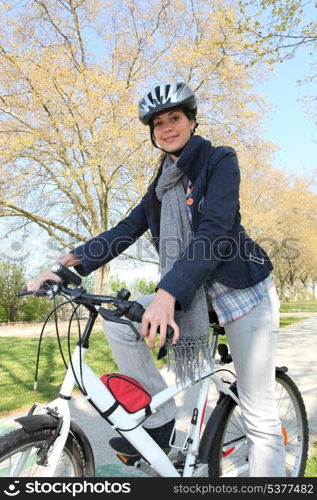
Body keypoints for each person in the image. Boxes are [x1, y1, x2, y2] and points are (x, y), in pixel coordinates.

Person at [27, 81, 285, 476]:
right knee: (120, 322)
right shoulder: (159, 189)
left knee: (259, 419)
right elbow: (120, 233)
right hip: (192, 294)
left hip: (243, 295)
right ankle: (160, 421)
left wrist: (167, 293)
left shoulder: (219, 161)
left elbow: (214, 233)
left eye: (175, 118)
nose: (166, 128)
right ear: (151, 132)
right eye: (158, 123)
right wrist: (62, 265)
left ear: (192, 121)